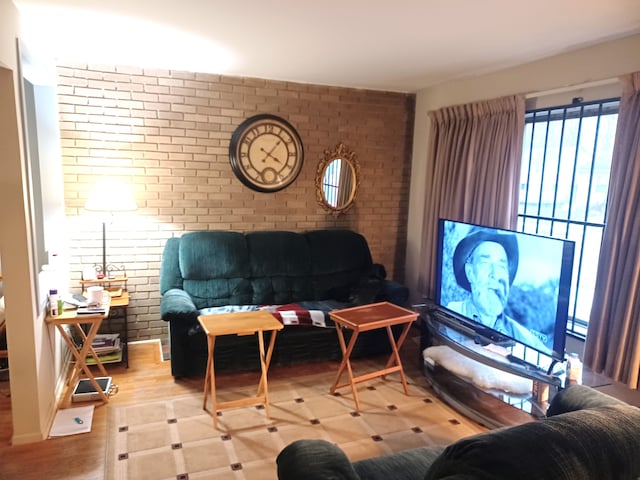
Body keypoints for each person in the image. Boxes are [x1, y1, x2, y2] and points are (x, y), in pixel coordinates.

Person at [447, 227, 548, 351]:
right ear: (470, 272)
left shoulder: (522, 335)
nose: (496, 274)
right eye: (485, 263)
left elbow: (549, 360)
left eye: (502, 266)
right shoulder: (453, 311)